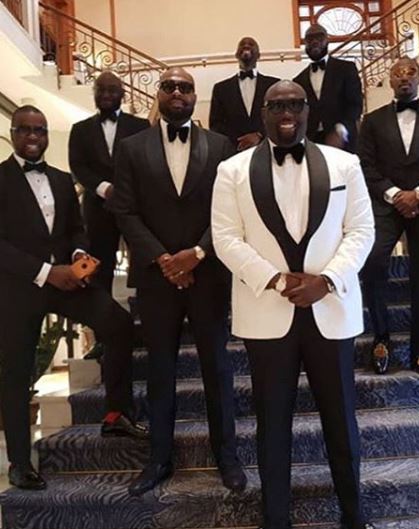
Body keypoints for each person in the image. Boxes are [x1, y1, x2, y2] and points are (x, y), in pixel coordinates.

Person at [212, 80, 375, 529]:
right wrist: (277, 280)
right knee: (271, 424)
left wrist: (328, 280)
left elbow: (362, 230)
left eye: (296, 104)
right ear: (263, 113)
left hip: (331, 311)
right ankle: (275, 518)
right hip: (268, 313)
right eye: (277, 105)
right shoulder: (232, 170)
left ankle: (353, 515)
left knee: (341, 422)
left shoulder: (345, 164)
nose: (287, 112)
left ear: (308, 111)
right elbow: (226, 238)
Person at [109, 67, 245, 496]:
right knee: (160, 370)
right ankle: (158, 459)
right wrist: (163, 258)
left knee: (217, 368)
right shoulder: (132, 148)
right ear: (159, 94)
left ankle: (227, 456)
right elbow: (124, 210)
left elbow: (229, 210)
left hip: (208, 275)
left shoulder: (220, 146)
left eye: (185, 87)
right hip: (157, 277)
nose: (177, 93)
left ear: (194, 94)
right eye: (169, 86)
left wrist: (197, 254)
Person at [0, 106, 147, 491]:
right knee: (16, 372)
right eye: (25, 130)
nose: (33, 136)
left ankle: (116, 414)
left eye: (40, 130)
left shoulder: (63, 180)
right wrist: (47, 272)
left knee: (118, 323)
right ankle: (19, 462)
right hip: (19, 289)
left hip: (67, 282)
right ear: (13, 133)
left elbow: (76, 230)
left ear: (47, 135)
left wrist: (80, 254)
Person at [358, 57, 419, 376]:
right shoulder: (372, 121)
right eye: (397, 73)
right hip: (386, 205)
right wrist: (395, 194)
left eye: (410, 72)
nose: (404, 77)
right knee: (373, 261)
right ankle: (381, 339)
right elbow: (365, 165)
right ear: (389, 80)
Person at [69, 72, 149, 360]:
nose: (106, 94)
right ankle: (102, 338)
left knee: (144, 265)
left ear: (123, 93)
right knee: (99, 272)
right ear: (94, 93)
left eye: (112, 90)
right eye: (101, 89)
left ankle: (151, 328)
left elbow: (146, 163)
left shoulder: (141, 126)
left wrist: (125, 191)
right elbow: (78, 166)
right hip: (98, 209)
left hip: (135, 208)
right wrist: (104, 188)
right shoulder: (80, 130)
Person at [293, 24, 363, 152]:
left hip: (343, 142)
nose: (314, 41)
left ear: (327, 40)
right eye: (310, 38)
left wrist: (340, 131)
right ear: (305, 44)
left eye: (319, 37)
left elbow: (355, 104)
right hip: (312, 144)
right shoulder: (298, 80)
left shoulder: (346, 69)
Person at [209, 36, 279, 150]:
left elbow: (278, 116)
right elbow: (215, 125)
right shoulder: (220, 89)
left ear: (259, 55)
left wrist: (259, 135)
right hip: (233, 150)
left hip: (267, 149)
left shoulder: (274, 85)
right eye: (242, 44)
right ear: (236, 55)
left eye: (251, 44)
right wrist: (239, 141)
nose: (246, 45)